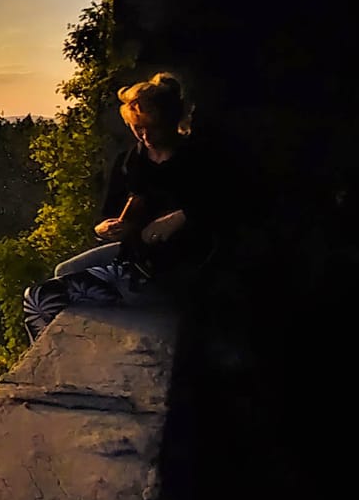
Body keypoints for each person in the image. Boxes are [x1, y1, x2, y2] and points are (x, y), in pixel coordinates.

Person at [21, 72, 220, 342]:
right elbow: (107, 214)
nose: (145, 135)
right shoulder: (130, 161)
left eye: (153, 127)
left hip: (166, 271)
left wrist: (179, 217)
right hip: (133, 255)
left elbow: (226, 206)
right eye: (138, 128)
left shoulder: (197, 158)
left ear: (171, 121)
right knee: (64, 272)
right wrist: (105, 228)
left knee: (40, 298)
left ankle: (54, 370)